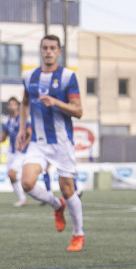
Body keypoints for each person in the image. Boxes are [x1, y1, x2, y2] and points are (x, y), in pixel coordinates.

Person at [15, 35, 85, 252]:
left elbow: (78, 111)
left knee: (67, 189)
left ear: (59, 52)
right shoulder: (29, 77)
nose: (48, 51)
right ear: (40, 50)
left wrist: (56, 102)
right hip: (38, 142)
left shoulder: (67, 77)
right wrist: (22, 129)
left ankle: (78, 234)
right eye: (45, 48)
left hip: (62, 143)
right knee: (26, 183)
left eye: (53, 48)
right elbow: (25, 103)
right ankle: (57, 206)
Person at [0, 96, 30, 207]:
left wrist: (24, 145)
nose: (12, 106)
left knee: (12, 174)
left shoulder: (22, 119)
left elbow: (30, 134)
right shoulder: (7, 121)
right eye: (10, 104)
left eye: (14, 104)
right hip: (11, 153)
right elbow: (4, 138)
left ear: (17, 106)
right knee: (11, 176)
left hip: (21, 153)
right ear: (8, 106)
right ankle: (22, 198)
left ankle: (27, 189)